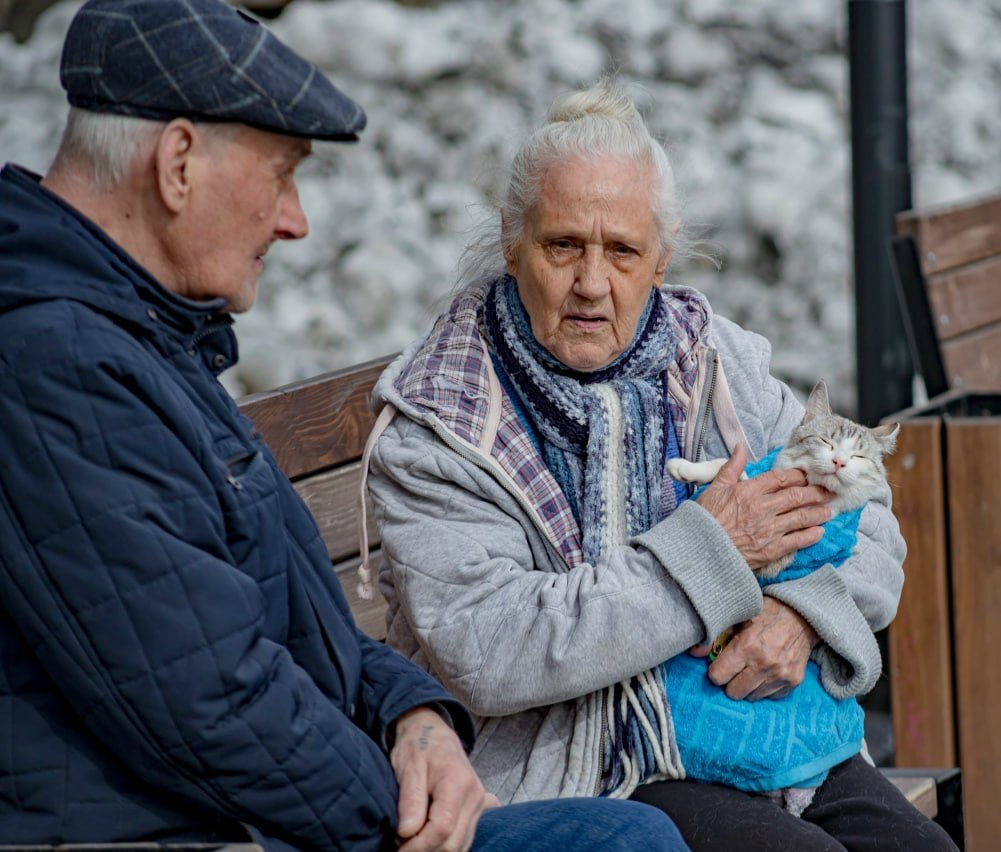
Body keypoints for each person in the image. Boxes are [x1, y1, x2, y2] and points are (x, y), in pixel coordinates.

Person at [0, 3, 690, 851]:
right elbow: (213, 704)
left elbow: (304, 623)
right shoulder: (55, 362)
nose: (295, 220)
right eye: (281, 176)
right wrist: (402, 815)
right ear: (177, 164)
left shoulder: (141, 336)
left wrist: (416, 720)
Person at [364, 78, 959, 852]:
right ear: (513, 240)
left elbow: (866, 518)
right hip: (586, 767)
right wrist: (713, 553)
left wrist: (801, 616)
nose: (591, 283)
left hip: (760, 735)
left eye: (622, 251)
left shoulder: (714, 359)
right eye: (562, 246)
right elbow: (492, 649)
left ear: (662, 256)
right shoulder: (443, 419)